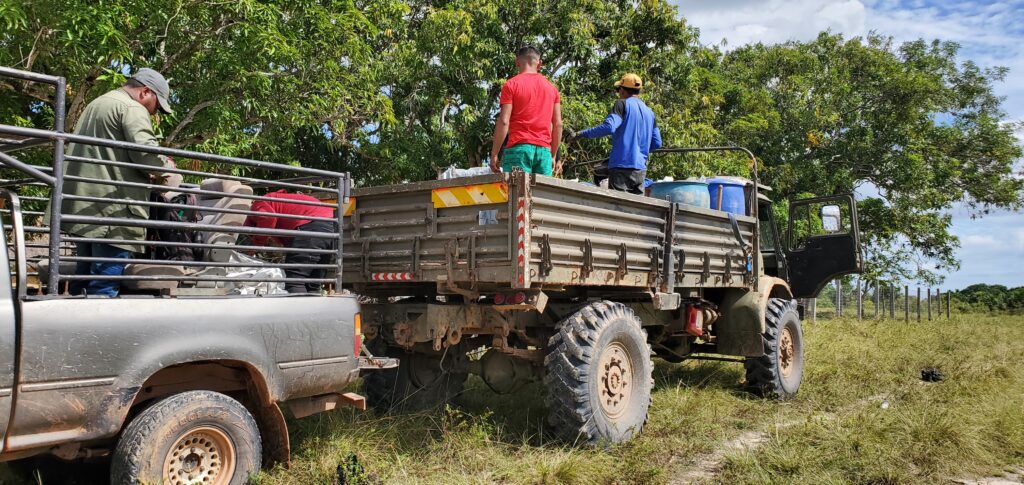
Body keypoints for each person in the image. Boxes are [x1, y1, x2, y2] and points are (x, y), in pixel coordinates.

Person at [59, 68, 175, 296]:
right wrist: (167, 168)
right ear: (145, 92)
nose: (154, 113)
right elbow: (147, 155)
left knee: (83, 279)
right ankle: (94, 331)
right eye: (156, 105)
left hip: (83, 206)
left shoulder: (98, 103)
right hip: (112, 212)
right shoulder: (132, 108)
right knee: (104, 285)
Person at [571, 73, 662, 194]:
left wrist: (581, 134)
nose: (618, 93)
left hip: (621, 167)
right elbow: (657, 143)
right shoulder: (650, 112)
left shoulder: (622, 104)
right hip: (640, 169)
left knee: (618, 207)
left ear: (623, 90)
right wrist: (638, 150)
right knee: (635, 209)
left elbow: (609, 127)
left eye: (618, 89)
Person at [489, 46, 564, 176]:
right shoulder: (552, 89)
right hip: (544, 153)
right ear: (539, 63)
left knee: (517, 195)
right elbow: (558, 124)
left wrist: (495, 153)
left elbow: (504, 121)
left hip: (518, 150)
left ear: (517, 62)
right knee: (542, 195)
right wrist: (552, 156)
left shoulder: (511, 85)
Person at [243, 190, 336, 294]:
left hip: (310, 225)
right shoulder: (278, 202)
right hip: (328, 226)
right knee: (312, 283)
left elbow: (268, 218)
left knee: (293, 281)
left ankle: (299, 310)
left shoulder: (258, 204)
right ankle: (313, 309)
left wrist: (256, 245)